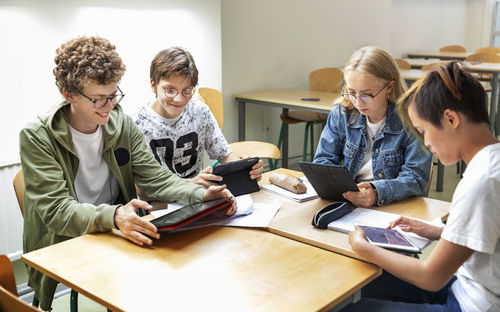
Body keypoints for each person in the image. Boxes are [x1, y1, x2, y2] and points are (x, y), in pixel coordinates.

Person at [19, 36, 235, 311]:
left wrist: (201, 193)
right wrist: (115, 215)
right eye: (98, 100)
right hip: (67, 238)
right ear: (69, 94)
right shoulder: (38, 136)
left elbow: (155, 178)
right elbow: (57, 212)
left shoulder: (120, 124)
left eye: (113, 95)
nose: (109, 107)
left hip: (118, 229)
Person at [343, 62, 500, 311]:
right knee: (355, 282)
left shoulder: (482, 181)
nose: (426, 142)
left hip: (471, 304)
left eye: (423, 131)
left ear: (450, 119)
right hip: (463, 286)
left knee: (350, 303)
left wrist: (363, 247)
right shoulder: (493, 160)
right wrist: (440, 232)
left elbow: (430, 276)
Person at [313, 46, 432, 207]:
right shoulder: (342, 113)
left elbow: (416, 179)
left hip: (395, 204)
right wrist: (338, 187)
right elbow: (323, 161)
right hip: (351, 201)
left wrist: (377, 192)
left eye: (366, 95)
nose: (358, 102)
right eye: (351, 92)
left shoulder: (411, 119)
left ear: (389, 87)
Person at [134, 47, 263, 188]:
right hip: (160, 204)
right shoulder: (138, 124)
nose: (178, 99)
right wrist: (190, 183)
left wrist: (244, 168)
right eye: (170, 90)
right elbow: (143, 190)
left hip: (198, 196)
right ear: (154, 85)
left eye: (187, 91)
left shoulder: (199, 111)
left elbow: (225, 155)